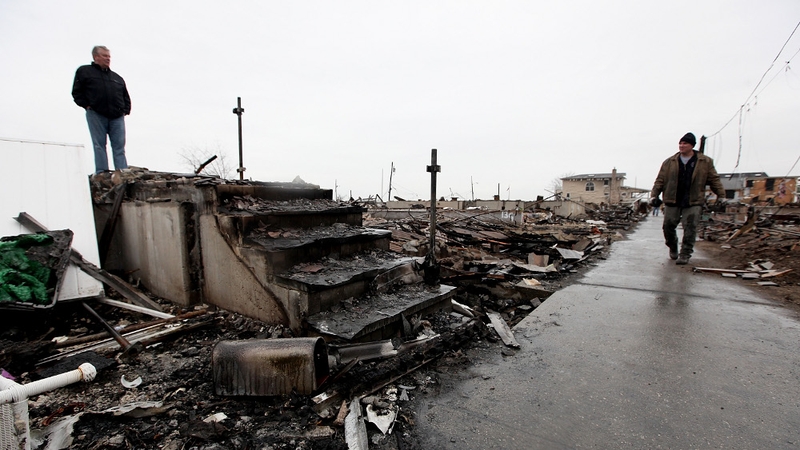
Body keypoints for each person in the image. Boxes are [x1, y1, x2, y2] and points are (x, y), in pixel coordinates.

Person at [651, 132, 725, 265]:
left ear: (692, 145)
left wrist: (721, 195)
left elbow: (714, 180)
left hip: (693, 200)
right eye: (680, 143)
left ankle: (685, 253)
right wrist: (654, 195)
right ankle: (672, 246)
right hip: (672, 199)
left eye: (685, 143)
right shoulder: (669, 162)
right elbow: (660, 181)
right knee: (668, 226)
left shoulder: (705, 162)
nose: (681, 145)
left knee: (690, 227)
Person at [72, 45, 130, 174]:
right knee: (99, 145)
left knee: (119, 147)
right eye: (105, 56)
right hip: (96, 114)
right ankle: (102, 171)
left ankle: (122, 172)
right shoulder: (84, 71)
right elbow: (77, 92)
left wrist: (125, 109)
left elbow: (125, 95)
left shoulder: (117, 78)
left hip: (117, 116)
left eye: (109, 56)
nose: (108, 59)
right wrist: (87, 106)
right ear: (96, 57)